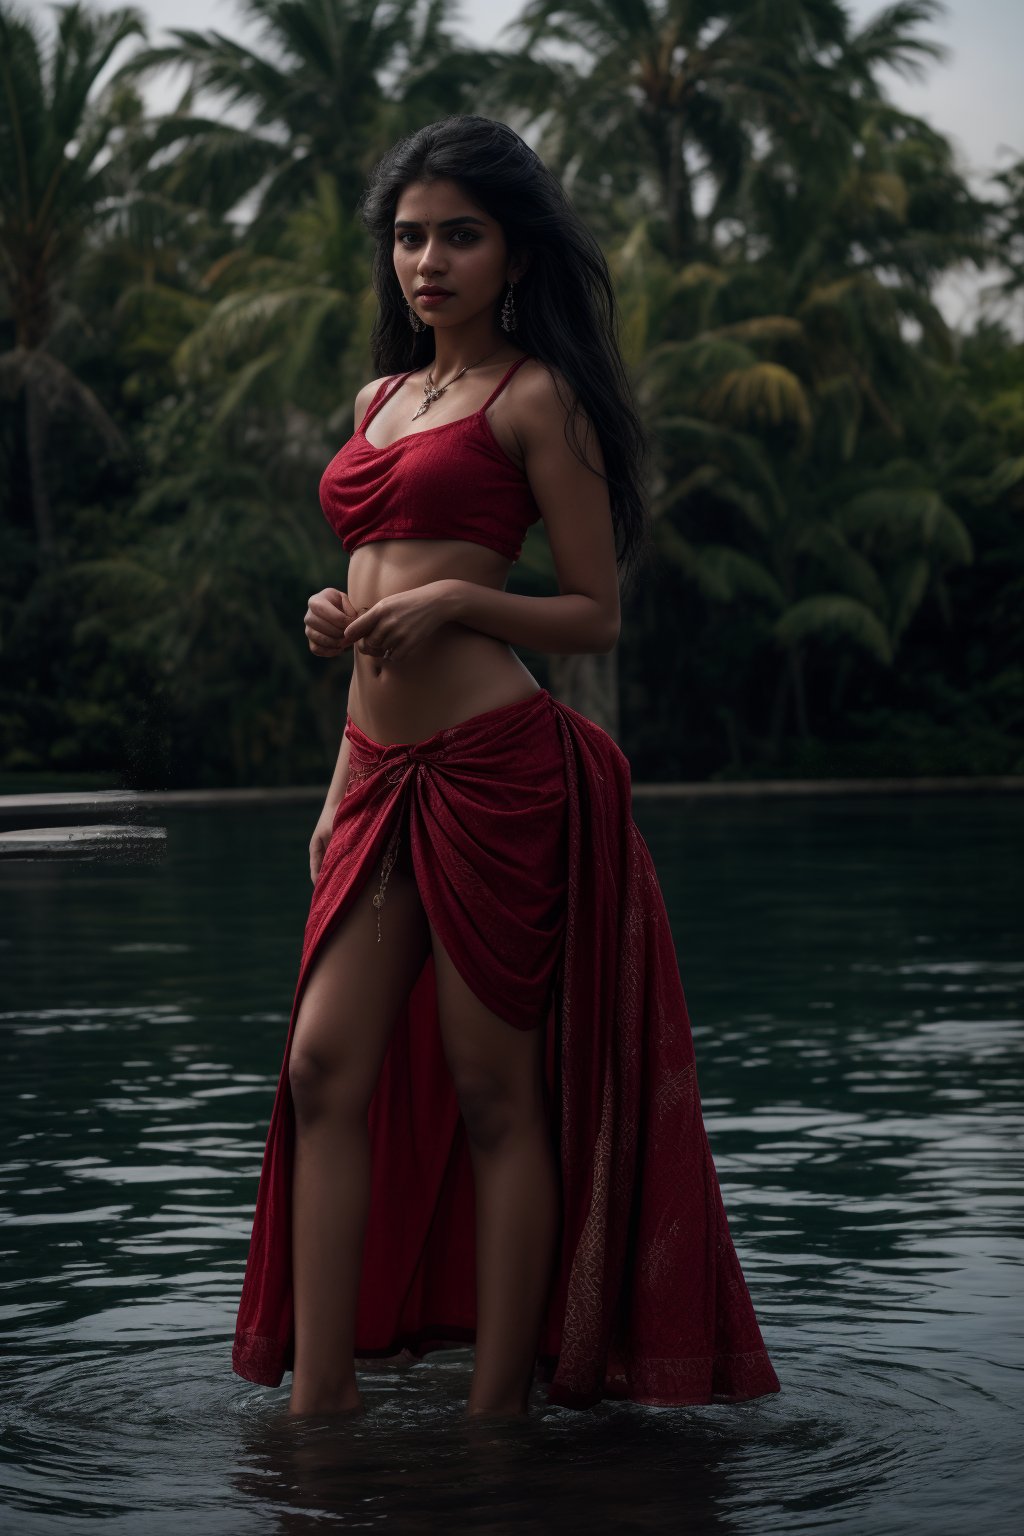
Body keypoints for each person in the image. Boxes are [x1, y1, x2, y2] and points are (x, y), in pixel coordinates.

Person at [232, 115, 781, 1420]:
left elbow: (593, 611)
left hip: (497, 773)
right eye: (410, 235)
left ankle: (495, 1418)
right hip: (373, 772)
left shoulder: (541, 398)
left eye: (458, 235)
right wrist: (335, 650)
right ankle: (321, 1410)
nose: (428, 260)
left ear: (514, 250)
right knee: (322, 1068)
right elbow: (380, 578)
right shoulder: (378, 399)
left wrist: (460, 610)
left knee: (493, 1089)